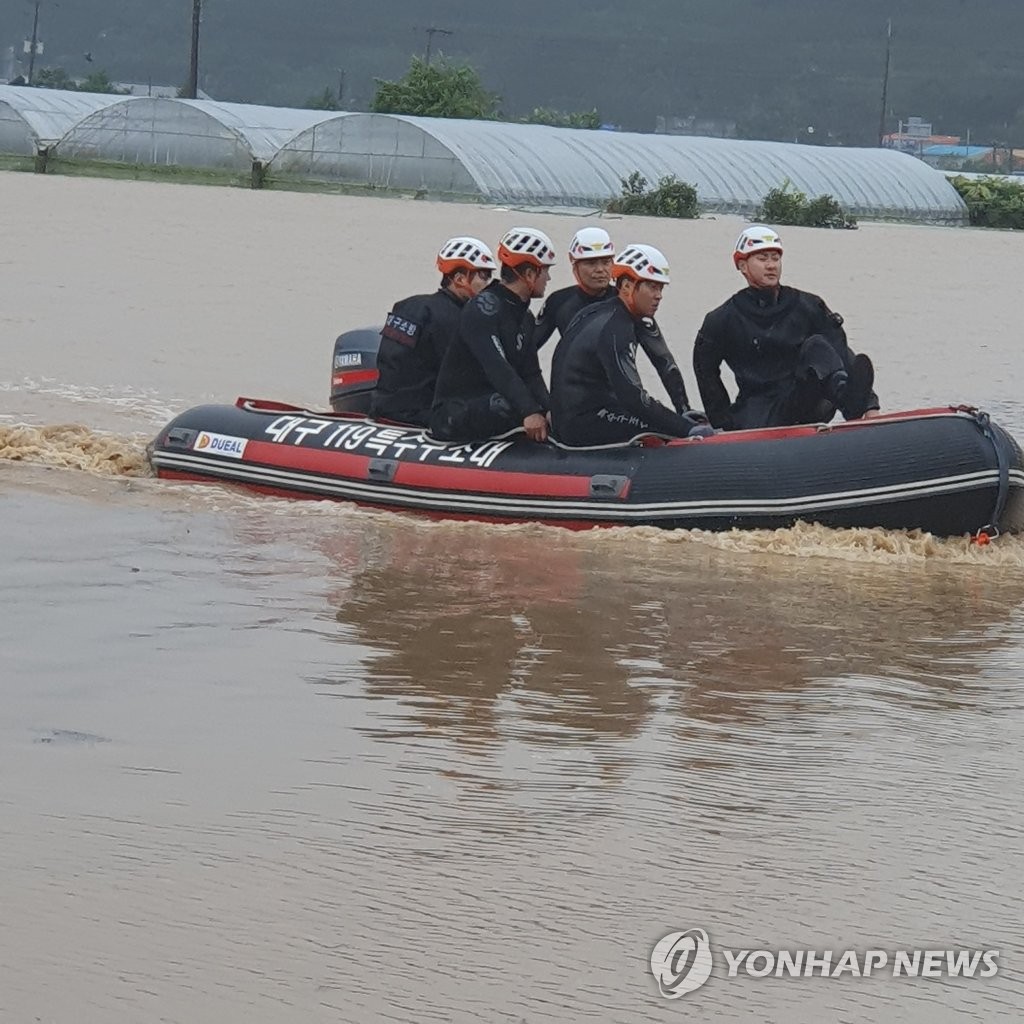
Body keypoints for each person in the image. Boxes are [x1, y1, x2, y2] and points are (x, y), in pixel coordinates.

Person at [693, 225, 880, 431]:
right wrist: (721, 421)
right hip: (759, 406)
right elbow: (705, 370)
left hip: (805, 398)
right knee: (748, 416)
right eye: (763, 259)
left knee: (818, 344)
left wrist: (870, 404)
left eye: (775, 258)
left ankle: (850, 402)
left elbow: (838, 349)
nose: (771, 265)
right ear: (743, 265)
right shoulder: (721, 319)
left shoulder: (808, 305)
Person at [549, 243, 709, 447]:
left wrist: (683, 412)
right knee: (664, 430)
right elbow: (633, 397)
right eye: (652, 287)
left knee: (667, 422)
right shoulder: (616, 328)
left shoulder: (600, 313)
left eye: (661, 287)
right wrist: (686, 429)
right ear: (626, 286)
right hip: (584, 423)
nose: (659, 295)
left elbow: (663, 363)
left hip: (575, 415)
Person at [536, 227, 692, 414]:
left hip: (620, 402)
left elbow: (663, 361)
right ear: (573, 262)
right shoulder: (559, 302)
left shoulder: (629, 302)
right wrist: (542, 407)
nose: (600, 269)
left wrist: (683, 409)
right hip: (579, 406)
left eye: (606, 261)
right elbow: (526, 355)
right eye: (591, 263)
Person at [429, 227, 555, 443]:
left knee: (550, 407)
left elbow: (531, 373)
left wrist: (550, 410)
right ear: (529, 274)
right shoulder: (482, 309)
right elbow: (497, 367)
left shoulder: (525, 318)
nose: (549, 278)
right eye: (545, 271)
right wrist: (529, 411)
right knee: (505, 405)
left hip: (490, 400)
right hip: (453, 411)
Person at [371, 236, 496, 426]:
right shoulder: (458, 319)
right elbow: (470, 377)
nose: (488, 283)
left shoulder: (408, 306)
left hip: (384, 407)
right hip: (422, 415)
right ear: (460, 279)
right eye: (484, 275)